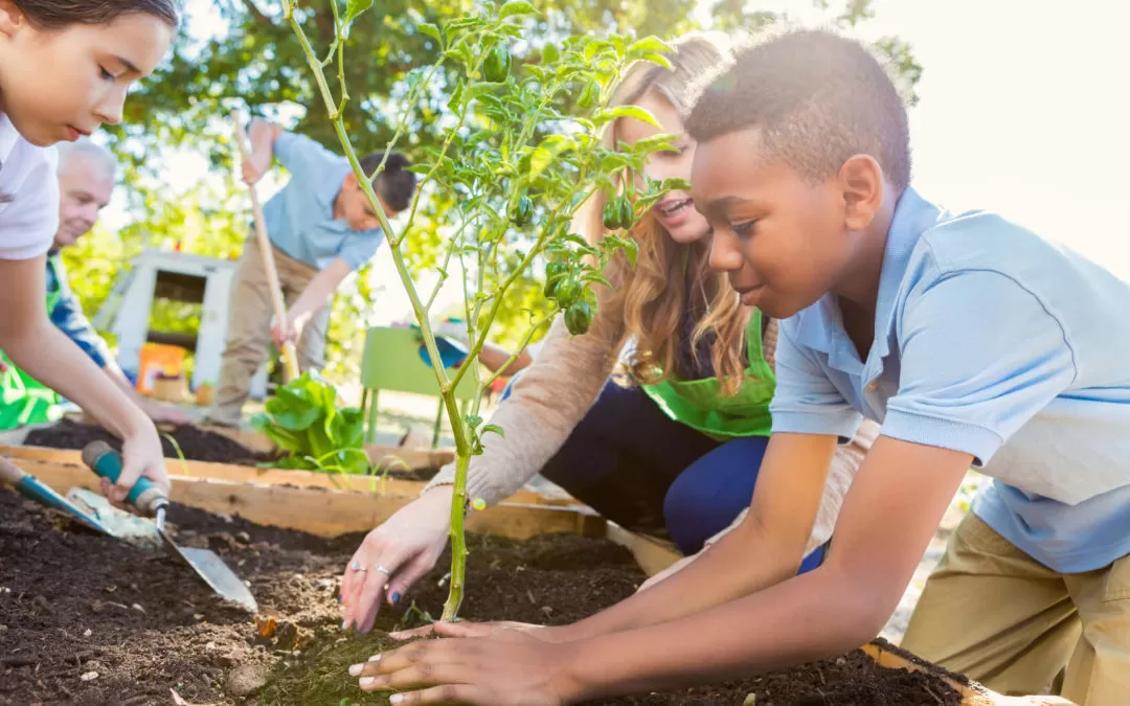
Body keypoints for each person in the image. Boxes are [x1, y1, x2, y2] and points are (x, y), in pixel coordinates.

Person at [346, 30, 1129, 706]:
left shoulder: (975, 293)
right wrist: (560, 641)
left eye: (742, 222)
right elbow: (766, 538)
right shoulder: (817, 317)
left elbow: (856, 593)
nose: (718, 253)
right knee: (918, 683)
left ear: (856, 189)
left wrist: (569, 668)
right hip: (1031, 518)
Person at [339, 34, 876, 635]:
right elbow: (551, 391)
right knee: (545, 410)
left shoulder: (788, 252)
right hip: (705, 457)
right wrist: (442, 503)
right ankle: (686, 546)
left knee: (705, 500)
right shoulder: (629, 246)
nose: (653, 182)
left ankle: (758, 561)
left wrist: (648, 612)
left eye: (674, 151)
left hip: (808, 470)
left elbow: (856, 445)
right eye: (632, 160)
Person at [0, 0, 178, 504]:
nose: (115, 112)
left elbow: (25, 329)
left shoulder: (26, 168)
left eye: (129, 86)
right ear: (12, 14)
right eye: (107, 72)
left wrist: (134, 424)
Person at [206, 120, 418, 425]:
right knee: (246, 341)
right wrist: (262, 158)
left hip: (314, 273)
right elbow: (266, 127)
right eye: (370, 212)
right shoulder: (317, 164)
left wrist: (297, 317)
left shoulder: (373, 235)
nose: (372, 225)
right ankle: (221, 423)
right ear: (350, 182)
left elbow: (330, 278)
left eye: (384, 219)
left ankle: (298, 435)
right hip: (268, 247)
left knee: (308, 357)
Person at [0, 138, 191, 429]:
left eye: (100, 207)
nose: (91, 218)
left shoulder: (50, 263)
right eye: (81, 199)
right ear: (41, 184)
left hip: (19, 426)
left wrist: (134, 407)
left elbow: (79, 339)